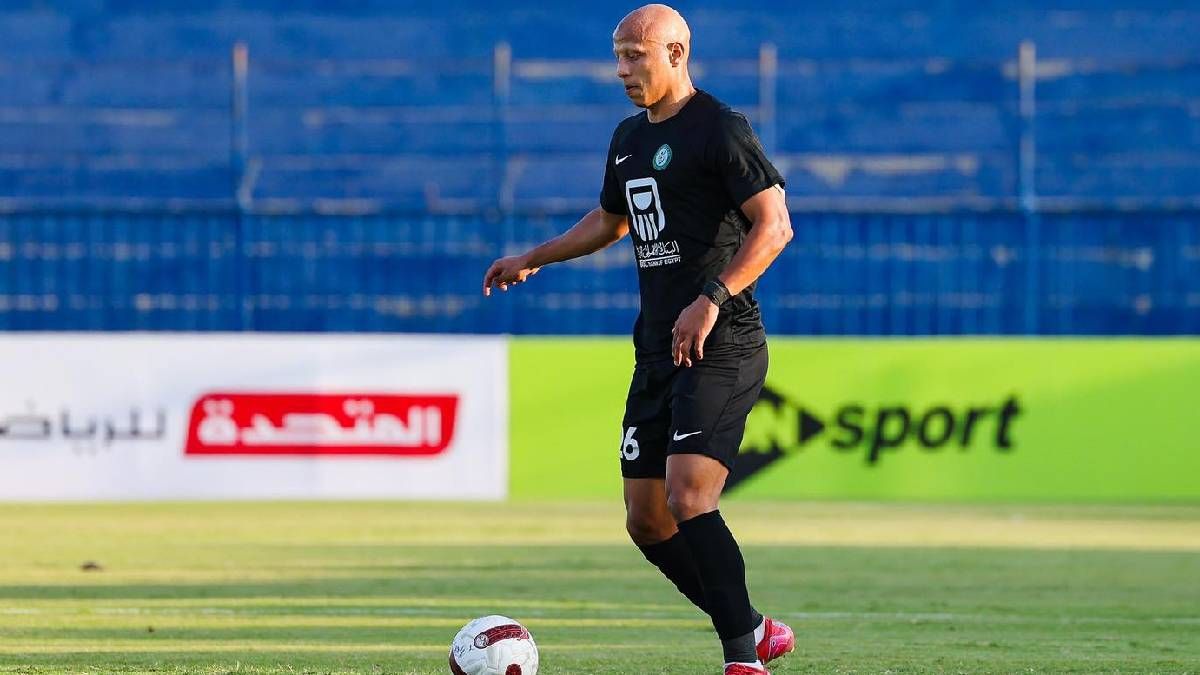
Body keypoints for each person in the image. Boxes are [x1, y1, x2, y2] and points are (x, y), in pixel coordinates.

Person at [483, 4, 794, 673]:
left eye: (636, 55)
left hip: (721, 340)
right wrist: (535, 256)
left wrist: (711, 299)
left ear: (676, 54)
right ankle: (753, 626)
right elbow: (610, 220)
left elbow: (775, 226)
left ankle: (743, 658)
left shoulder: (720, 128)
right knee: (647, 519)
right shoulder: (628, 138)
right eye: (618, 56)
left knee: (690, 496)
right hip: (657, 348)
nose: (623, 70)